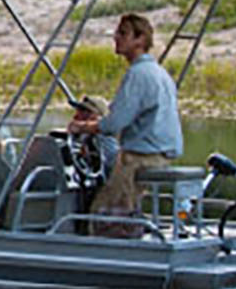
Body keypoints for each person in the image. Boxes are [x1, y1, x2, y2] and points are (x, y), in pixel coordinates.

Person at [69, 13, 181, 237]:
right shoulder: (160, 72)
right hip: (161, 154)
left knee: (102, 213)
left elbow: (115, 123)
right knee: (124, 206)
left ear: (140, 39)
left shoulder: (138, 74)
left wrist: (82, 128)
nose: (116, 37)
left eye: (123, 33)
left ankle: (110, 254)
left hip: (140, 157)